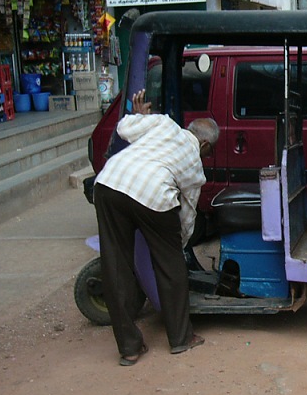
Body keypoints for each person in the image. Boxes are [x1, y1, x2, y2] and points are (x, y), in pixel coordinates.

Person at [93, 90, 219, 366]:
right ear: (206, 145)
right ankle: (180, 338)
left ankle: (129, 348)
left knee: (115, 265)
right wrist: (179, 245)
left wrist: (139, 117)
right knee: (171, 267)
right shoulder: (195, 165)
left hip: (109, 183)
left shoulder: (163, 123)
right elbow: (187, 215)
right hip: (152, 195)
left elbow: (125, 128)